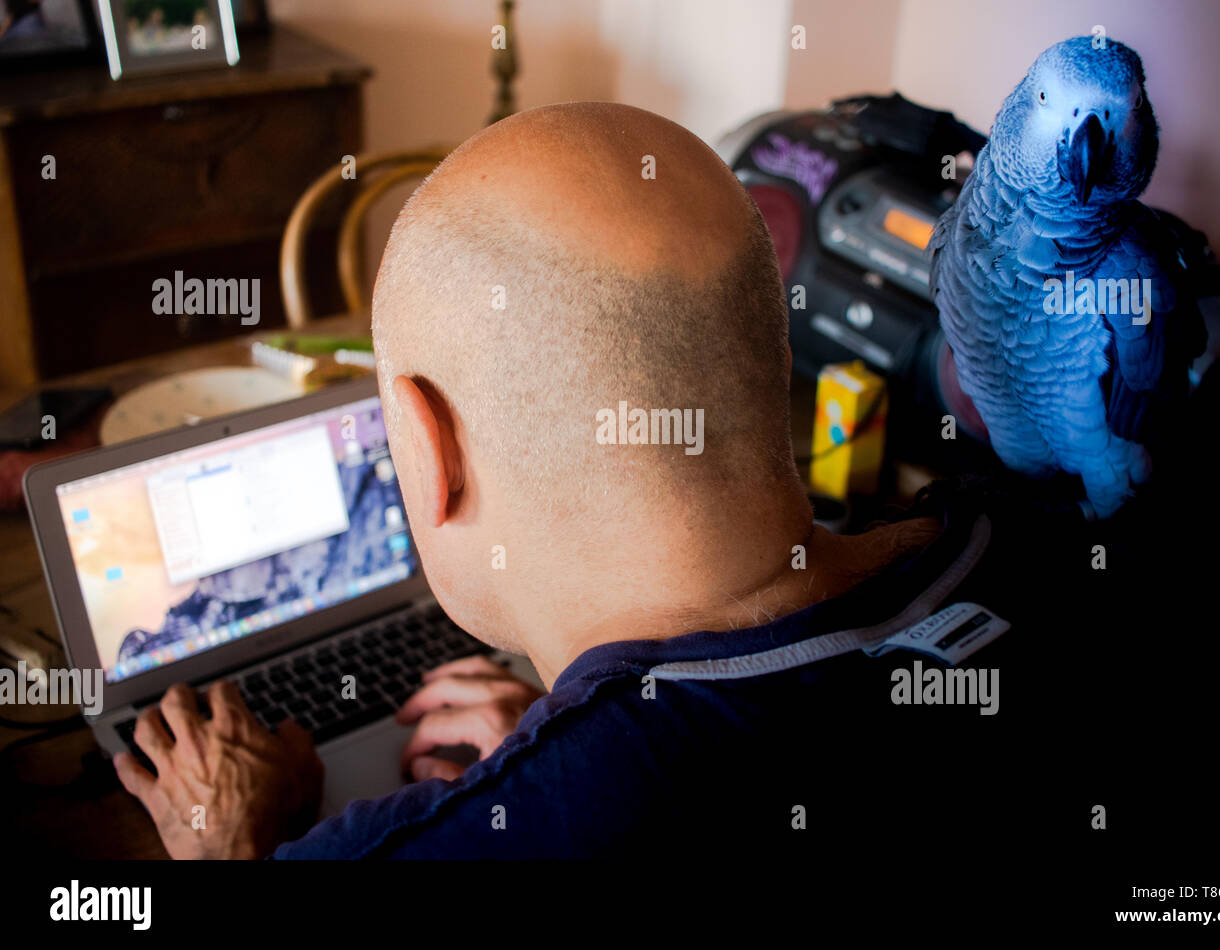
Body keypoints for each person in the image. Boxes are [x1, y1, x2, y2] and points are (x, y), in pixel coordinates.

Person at [114, 102, 952, 859]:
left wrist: (229, 846)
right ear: (771, 365)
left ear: (428, 448)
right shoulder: (1012, 538)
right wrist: (563, 749)